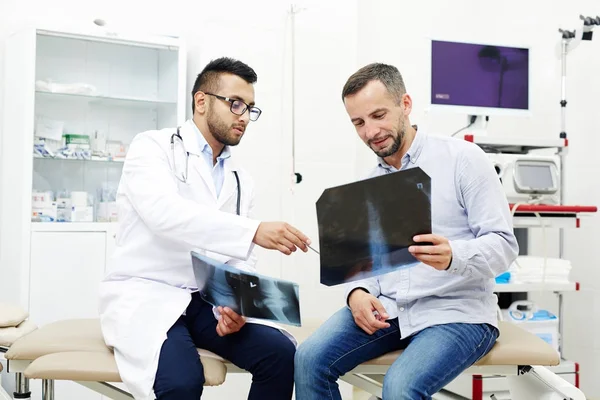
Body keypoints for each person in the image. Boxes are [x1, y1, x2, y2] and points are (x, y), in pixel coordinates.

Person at [295, 62, 519, 399]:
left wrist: (453, 256)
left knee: (400, 386)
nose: (370, 131)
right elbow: (365, 263)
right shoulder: (369, 184)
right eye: (359, 122)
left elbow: (504, 246)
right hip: (391, 310)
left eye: (379, 115)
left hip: (456, 311)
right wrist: (357, 294)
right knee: (309, 359)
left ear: (406, 105)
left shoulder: (464, 159)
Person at [98, 57, 311, 400]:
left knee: (281, 354)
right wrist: (253, 230)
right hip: (149, 294)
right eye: (235, 104)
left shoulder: (241, 179)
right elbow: (163, 214)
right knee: (181, 382)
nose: (243, 116)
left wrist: (237, 306)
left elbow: (240, 257)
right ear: (201, 101)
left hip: (204, 301)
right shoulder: (152, 147)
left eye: (250, 108)